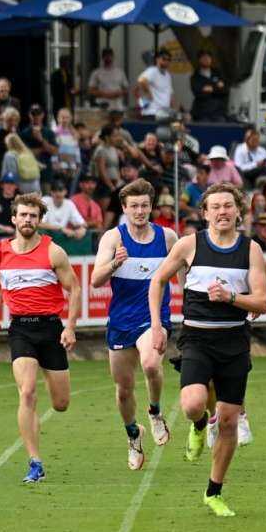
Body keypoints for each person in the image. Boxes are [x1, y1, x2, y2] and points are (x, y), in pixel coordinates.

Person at [148, 184, 266, 517]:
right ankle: (200, 425)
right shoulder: (190, 245)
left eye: (228, 206)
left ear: (238, 211)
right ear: (205, 213)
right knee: (192, 404)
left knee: (230, 422)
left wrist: (231, 298)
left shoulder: (251, 250)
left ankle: (214, 491)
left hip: (233, 341)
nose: (222, 212)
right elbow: (157, 280)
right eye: (215, 207)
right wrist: (157, 327)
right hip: (197, 339)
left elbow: (263, 301)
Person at [0, 192, 82, 486]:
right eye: (23, 215)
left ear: (40, 220)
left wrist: (71, 327)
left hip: (50, 329)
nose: (27, 220)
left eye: (33, 216)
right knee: (26, 392)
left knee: (61, 403)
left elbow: (74, 289)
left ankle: (36, 458)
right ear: (13, 218)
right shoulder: (0, 252)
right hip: (20, 330)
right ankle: (35, 462)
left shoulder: (54, 252)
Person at [91, 179, 177, 469]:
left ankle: (154, 412)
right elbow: (95, 281)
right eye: (134, 206)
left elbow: (185, 270)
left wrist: (191, 303)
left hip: (154, 318)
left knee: (152, 364)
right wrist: (115, 263)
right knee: (124, 389)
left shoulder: (167, 238)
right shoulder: (113, 238)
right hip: (121, 321)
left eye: (145, 205)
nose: (140, 211)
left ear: (151, 207)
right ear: (124, 209)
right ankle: (133, 435)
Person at [189, 50, 229, 121]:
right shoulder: (195, 77)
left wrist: (209, 89)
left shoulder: (218, 73)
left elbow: (225, 90)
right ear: (199, 60)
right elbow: (198, 93)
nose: (206, 59)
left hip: (218, 113)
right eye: (204, 57)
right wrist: (217, 88)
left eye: (208, 57)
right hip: (202, 114)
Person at [137, 49, 174, 120]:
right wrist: (149, 93)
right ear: (157, 59)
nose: (166, 62)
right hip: (152, 112)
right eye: (164, 59)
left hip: (164, 114)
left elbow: (170, 94)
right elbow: (142, 80)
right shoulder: (152, 71)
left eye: (168, 60)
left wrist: (173, 109)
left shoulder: (168, 75)